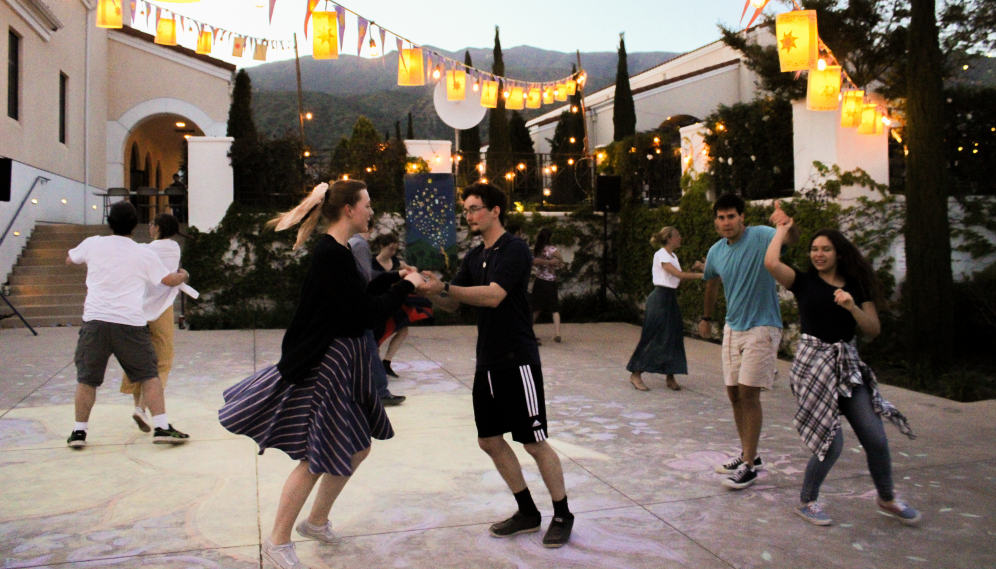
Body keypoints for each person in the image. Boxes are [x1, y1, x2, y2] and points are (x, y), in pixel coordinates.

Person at [218, 181, 436, 569]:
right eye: (367, 205)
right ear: (349, 210)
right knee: (317, 457)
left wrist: (394, 279)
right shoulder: (330, 255)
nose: (372, 211)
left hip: (345, 362)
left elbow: (358, 294)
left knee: (358, 447)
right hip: (329, 365)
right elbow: (366, 314)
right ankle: (278, 541)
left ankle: (315, 523)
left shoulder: (338, 252)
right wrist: (406, 285)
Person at [424, 182, 575, 548]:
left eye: (475, 208)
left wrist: (446, 288)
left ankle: (562, 513)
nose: (469, 215)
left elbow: (493, 296)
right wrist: (427, 289)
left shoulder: (515, 249)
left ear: (495, 210)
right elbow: (453, 303)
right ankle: (527, 512)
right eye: (467, 209)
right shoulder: (474, 257)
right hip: (487, 361)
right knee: (489, 439)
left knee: (534, 441)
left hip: (516, 359)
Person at [764, 220, 920, 526]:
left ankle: (886, 498)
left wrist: (852, 307)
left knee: (875, 437)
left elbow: (873, 329)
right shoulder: (803, 282)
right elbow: (771, 262)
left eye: (825, 249)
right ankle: (808, 501)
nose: (818, 254)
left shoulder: (856, 286)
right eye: (814, 249)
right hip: (813, 369)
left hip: (848, 369)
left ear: (839, 253)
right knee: (830, 443)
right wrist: (781, 228)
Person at [65, 201, 191, 448]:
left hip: (95, 321)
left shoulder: (93, 243)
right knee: (149, 375)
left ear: (109, 222)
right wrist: (184, 274)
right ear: (136, 226)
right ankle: (162, 427)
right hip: (129, 323)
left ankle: (79, 432)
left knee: (87, 379)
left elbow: (70, 259)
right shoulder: (143, 253)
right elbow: (168, 279)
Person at [699, 195, 798, 490]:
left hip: (763, 326)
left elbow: (790, 239)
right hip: (733, 326)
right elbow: (712, 281)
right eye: (721, 217)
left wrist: (785, 224)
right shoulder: (716, 251)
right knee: (732, 394)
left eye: (731, 216)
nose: (726, 222)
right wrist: (706, 317)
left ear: (742, 217)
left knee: (748, 393)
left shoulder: (761, 236)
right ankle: (747, 453)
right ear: (716, 221)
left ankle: (749, 466)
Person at [120, 213, 198, 432]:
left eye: (152, 223)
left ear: (157, 227)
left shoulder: (143, 250)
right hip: (161, 310)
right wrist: (185, 274)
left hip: (136, 310)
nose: (150, 226)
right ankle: (142, 409)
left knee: (138, 361)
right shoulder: (173, 248)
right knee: (163, 361)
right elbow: (172, 276)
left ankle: (139, 407)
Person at [626, 226, 703, 392]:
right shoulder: (660, 254)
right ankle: (636, 374)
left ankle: (670, 376)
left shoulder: (673, 256)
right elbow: (679, 275)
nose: (680, 238)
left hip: (670, 298)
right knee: (653, 336)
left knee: (673, 336)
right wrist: (704, 275)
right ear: (669, 239)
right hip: (659, 298)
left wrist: (694, 270)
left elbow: (678, 280)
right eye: (678, 235)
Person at [348, 230, 407, 406]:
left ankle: (378, 387)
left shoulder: (351, 244)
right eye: (366, 207)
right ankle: (379, 390)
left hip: (376, 306)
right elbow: (368, 278)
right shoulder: (358, 245)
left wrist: (400, 274)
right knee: (369, 346)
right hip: (369, 306)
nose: (392, 252)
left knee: (371, 345)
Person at [370, 233, 433, 378]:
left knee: (403, 331)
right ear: (382, 246)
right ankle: (375, 369)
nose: (392, 252)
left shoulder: (395, 260)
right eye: (390, 249)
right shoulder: (372, 263)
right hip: (380, 303)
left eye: (394, 249)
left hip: (394, 300)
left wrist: (412, 270)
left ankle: (386, 363)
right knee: (377, 337)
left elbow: (410, 269)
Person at [531, 227, 564, 345]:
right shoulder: (551, 249)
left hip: (539, 280)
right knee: (554, 309)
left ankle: (529, 330)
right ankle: (557, 333)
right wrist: (559, 263)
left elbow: (534, 261)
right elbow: (560, 259)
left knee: (536, 308)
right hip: (550, 281)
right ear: (549, 237)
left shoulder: (537, 249)